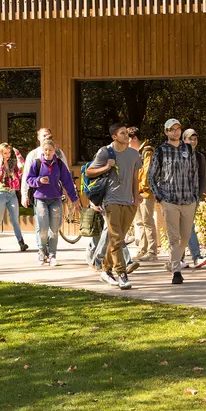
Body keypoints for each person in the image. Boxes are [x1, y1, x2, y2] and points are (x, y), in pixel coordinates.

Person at [86, 122, 141, 290]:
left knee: (117, 238)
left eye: (127, 133)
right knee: (117, 237)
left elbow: (135, 177)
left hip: (129, 201)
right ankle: (122, 273)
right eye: (123, 133)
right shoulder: (105, 152)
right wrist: (106, 166)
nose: (127, 136)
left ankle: (106, 269)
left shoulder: (133, 154)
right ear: (114, 136)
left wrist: (136, 197)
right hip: (111, 200)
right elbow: (89, 172)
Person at [148, 118, 199, 284]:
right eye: (171, 129)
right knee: (173, 237)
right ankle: (176, 271)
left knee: (185, 236)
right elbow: (151, 177)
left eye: (177, 129)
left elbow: (194, 174)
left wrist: (195, 196)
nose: (175, 132)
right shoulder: (160, 151)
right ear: (166, 132)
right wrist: (160, 197)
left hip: (188, 200)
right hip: (169, 200)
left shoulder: (188, 149)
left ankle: (172, 261)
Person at [24, 138, 80, 266]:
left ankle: (52, 254)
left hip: (55, 199)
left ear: (55, 151)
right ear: (42, 151)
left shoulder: (59, 164)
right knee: (43, 228)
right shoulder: (37, 163)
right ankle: (42, 251)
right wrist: (38, 180)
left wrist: (74, 199)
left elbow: (67, 182)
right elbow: (29, 179)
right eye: (45, 150)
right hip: (40, 199)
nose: (48, 152)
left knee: (54, 228)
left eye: (50, 150)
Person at [0, 143, 28, 252]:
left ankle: (21, 242)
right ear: (0, 153)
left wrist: (18, 155)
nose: (7, 155)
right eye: (5, 153)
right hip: (0, 194)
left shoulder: (12, 163)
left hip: (12, 194)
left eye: (9, 153)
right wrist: (1, 164)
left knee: (15, 220)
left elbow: (22, 170)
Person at [129, 126, 158, 266]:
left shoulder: (147, 151)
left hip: (145, 192)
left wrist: (139, 190)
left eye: (128, 140)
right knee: (139, 222)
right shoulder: (135, 152)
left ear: (134, 138)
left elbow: (146, 173)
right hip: (136, 192)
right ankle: (142, 249)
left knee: (148, 222)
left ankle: (152, 252)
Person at [182, 128, 206, 269]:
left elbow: (202, 177)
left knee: (188, 225)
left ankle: (196, 257)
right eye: (190, 139)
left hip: (193, 197)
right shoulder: (178, 155)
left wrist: (198, 195)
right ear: (184, 140)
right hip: (177, 197)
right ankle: (180, 258)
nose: (193, 141)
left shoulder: (200, 157)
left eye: (195, 139)